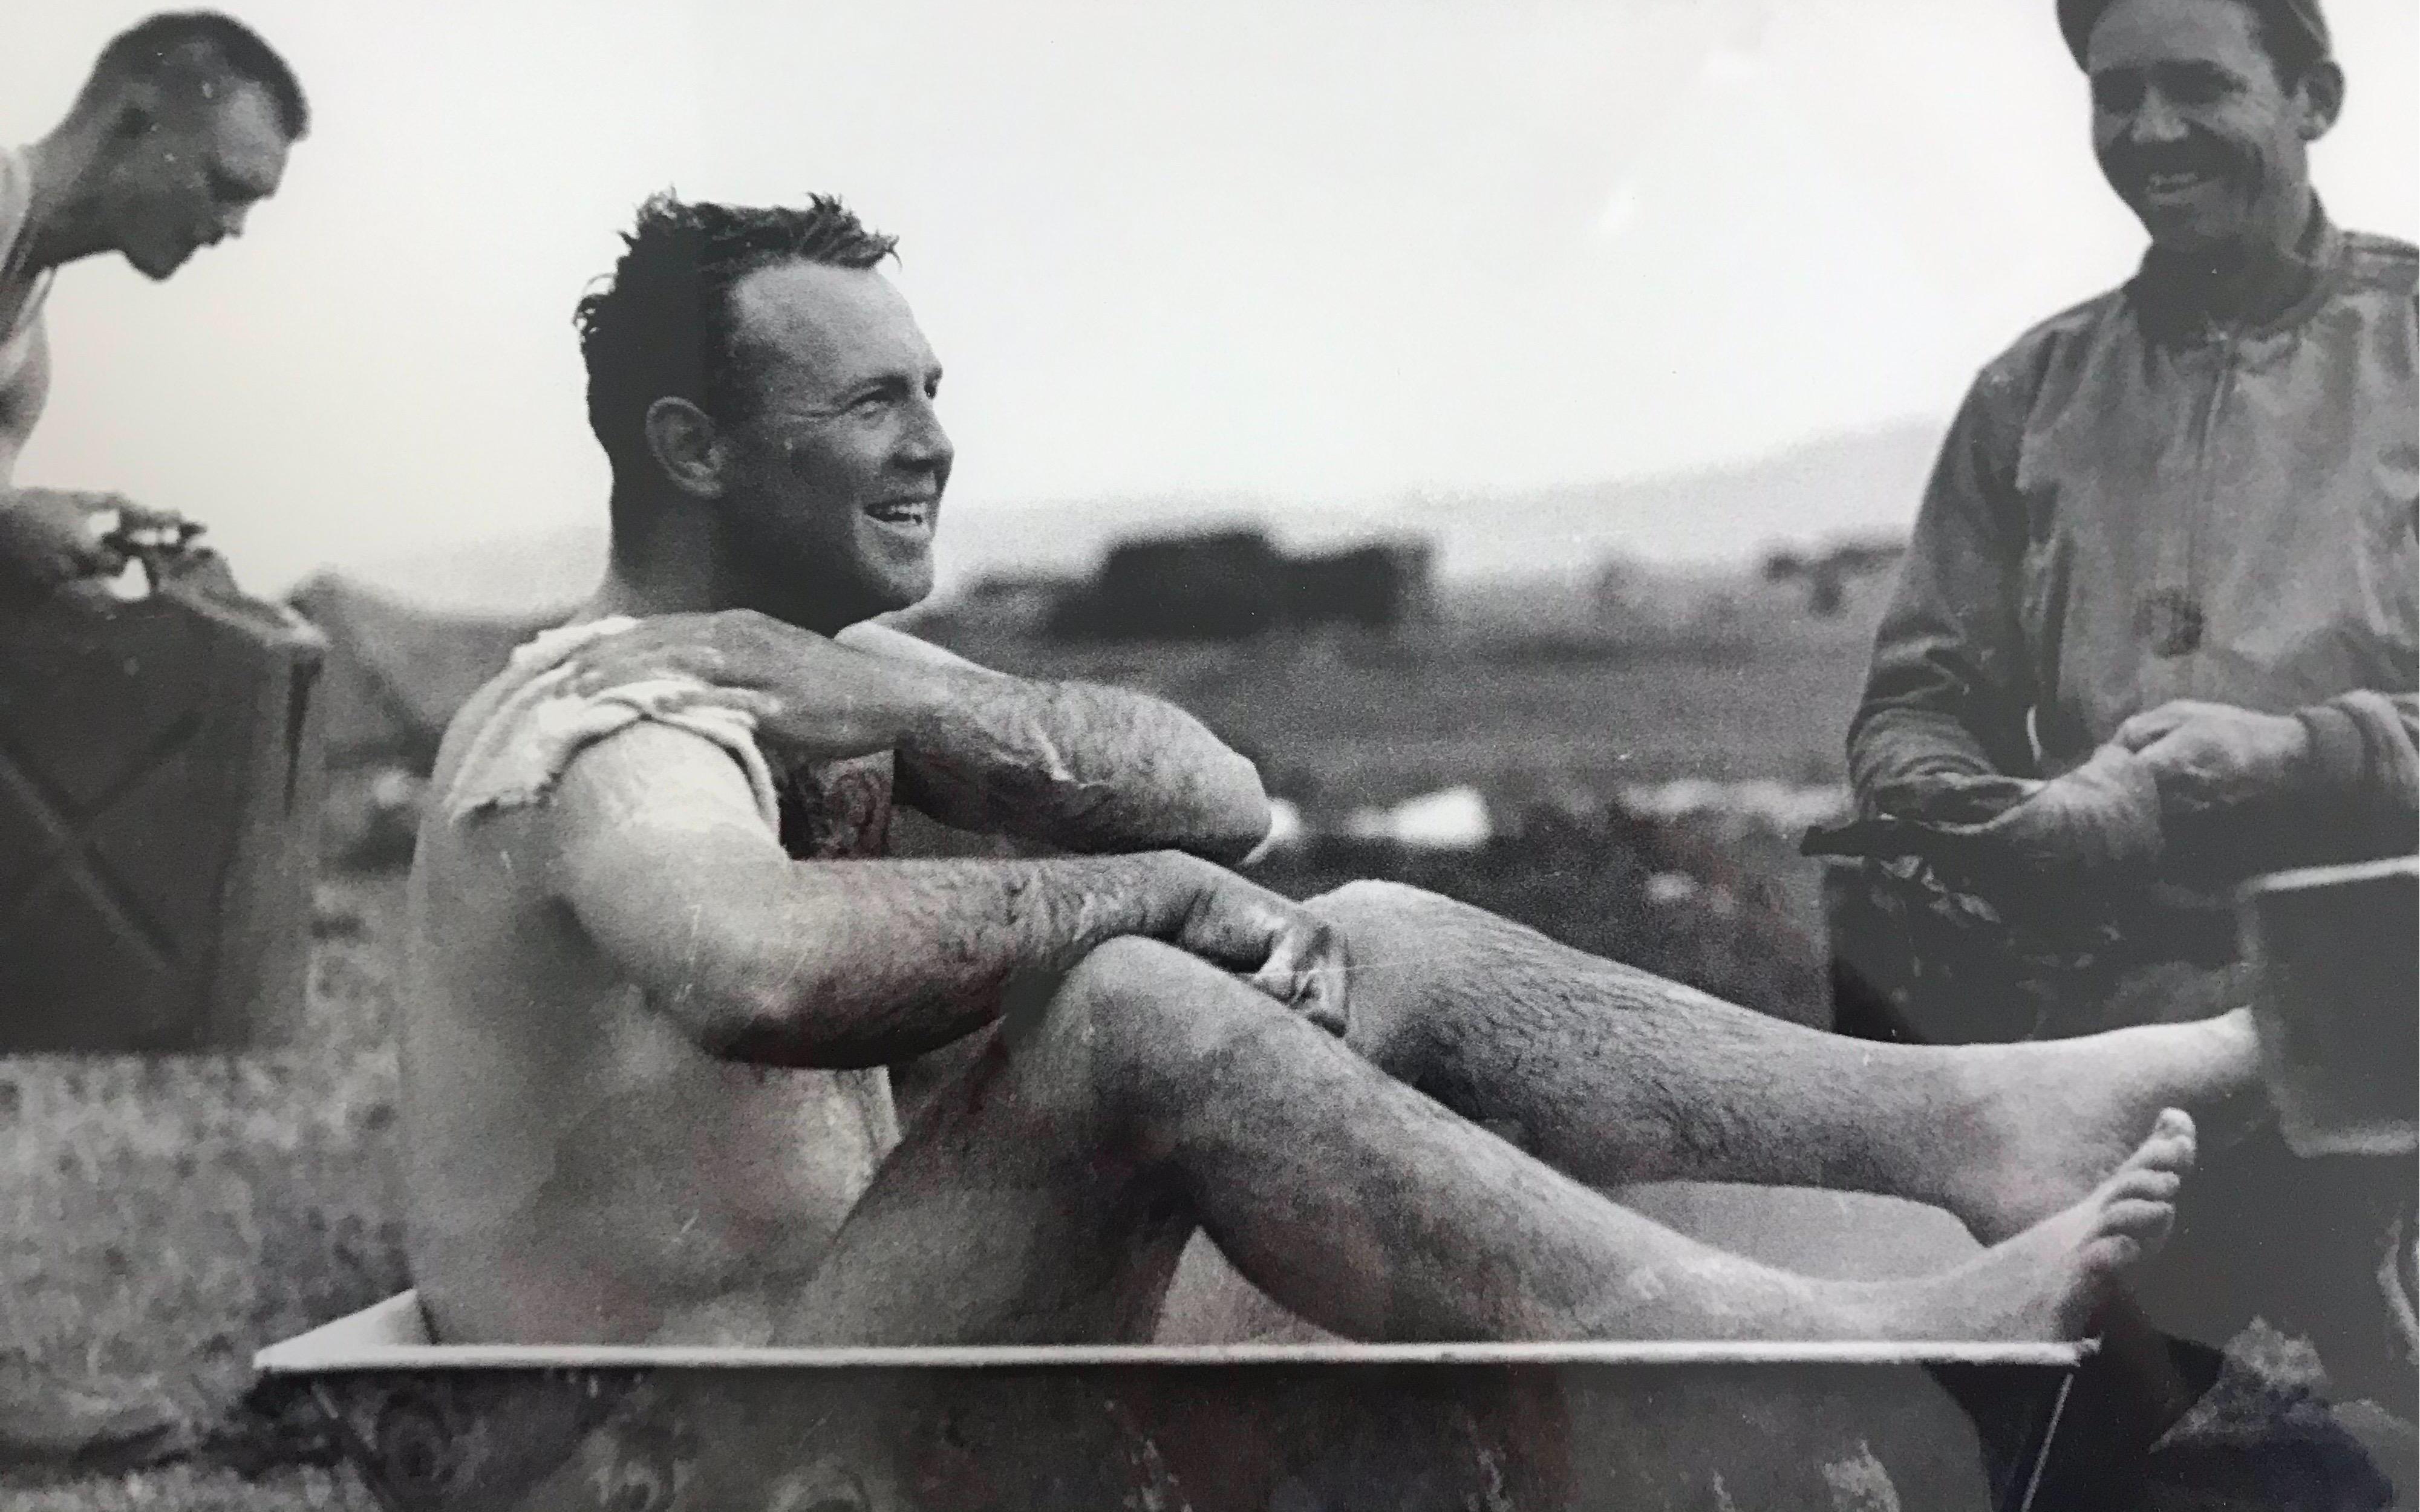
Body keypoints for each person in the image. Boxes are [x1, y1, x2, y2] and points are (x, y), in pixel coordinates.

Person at [399, 191, 2260, 1357]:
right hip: (682, 1442)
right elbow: (756, 965)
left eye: (933, 388)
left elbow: (1212, 798)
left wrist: (946, 720)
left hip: (859, 1334)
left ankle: (1978, 1123)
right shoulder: (608, 725)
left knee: (1377, 936)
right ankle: (1836, 1341)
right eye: (873, 401)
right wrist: (1145, 906)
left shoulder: (809, 672)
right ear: (691, 448)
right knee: (1132, 1003)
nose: (936, 442)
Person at [1823, 0, 2416, 1462]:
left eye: (2198, 86)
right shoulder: (2033, 389)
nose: (2147, 131)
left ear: (2313, 97)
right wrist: (2001, 814)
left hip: (2383, 1019)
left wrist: (2301, 757)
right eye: (2111, 93)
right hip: (2095, 1032)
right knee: (2032, 1453)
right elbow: (1911, 701)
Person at [0, 11, 308, 595]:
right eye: (226, 187)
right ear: (133, 120)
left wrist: (76, 530)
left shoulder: (24, 351)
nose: (234, 228)